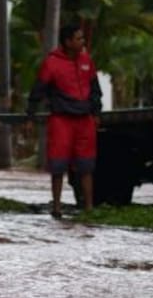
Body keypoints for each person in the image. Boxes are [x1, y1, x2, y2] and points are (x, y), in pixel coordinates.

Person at [26, 23, 102, 218]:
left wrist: (96, 113)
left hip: (84, 120)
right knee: (58, 165)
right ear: (68, 42)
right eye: (78, 39)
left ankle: (89, 207)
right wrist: (31, 115)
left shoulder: (86, 60)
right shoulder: (52, 63)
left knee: (86, 165)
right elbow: (38, 90)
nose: (82, 42)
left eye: (82, 38)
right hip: (62, 120)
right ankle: (57, 207)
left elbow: (95, 90)